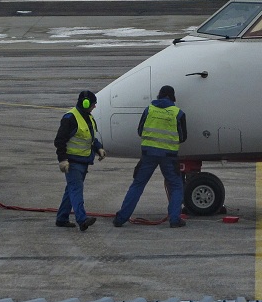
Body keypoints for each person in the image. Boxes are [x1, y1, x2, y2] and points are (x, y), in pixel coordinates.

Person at [113, 85, 188, 228]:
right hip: (168, 156)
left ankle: (121, 218)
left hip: (148, 155)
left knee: (137, 185)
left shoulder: (149, 110)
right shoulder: (178, 113)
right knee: (176, 186)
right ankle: (174, 219)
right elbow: (183, 137)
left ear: (159, 95)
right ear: (172, 97)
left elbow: (140, 131)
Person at [55, 90, 106, 231]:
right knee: (76, 189)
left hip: (84, 161)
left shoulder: (88, 117)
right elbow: (59, 141)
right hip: (73, 162)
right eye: (93, 104)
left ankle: (62, 218)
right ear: (86, 103)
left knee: (70, 190)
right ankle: (82, 219)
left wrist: (98, 148)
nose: (95, 106)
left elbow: (90, 137)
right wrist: (63, 159)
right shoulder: (70, 118)